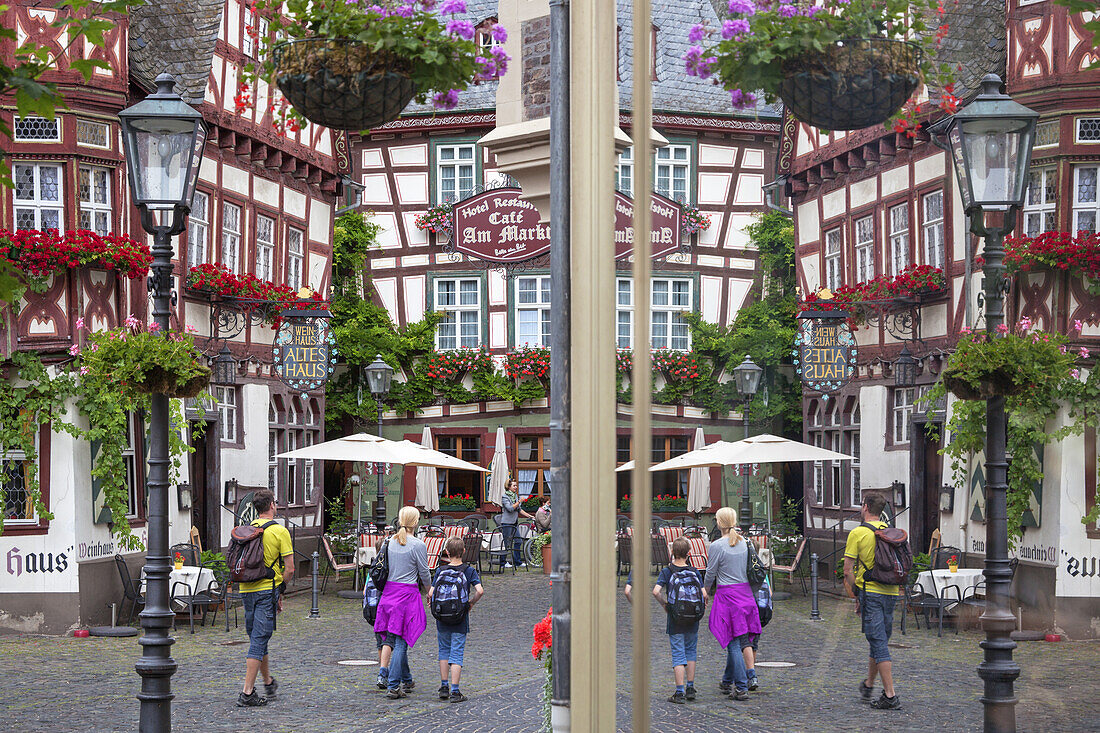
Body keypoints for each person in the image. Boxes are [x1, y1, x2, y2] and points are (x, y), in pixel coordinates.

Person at [844, 491, 902, 710]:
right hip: (892, 592)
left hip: (872, 592)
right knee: (879, 640)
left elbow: (847, 570)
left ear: (866, 507)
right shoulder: (890, 532)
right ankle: (869, 684)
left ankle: (890, 695)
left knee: (878, 642)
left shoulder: (858, 533)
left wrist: (857, 593)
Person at [237, 490, 294, 707]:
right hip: (265, 589)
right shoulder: (280, 531)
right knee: (259, 639)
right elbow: (290, 569)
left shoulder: (246, 529)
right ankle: (247, 692)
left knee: (258, 637)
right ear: (271, 505)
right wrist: (281, 590)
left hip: (245, 588)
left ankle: (267, 681)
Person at [704, 506, 762, 702]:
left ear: (719, 523)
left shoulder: (717, 546)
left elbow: (710, 573)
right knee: (737, 639)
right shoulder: (746, 543)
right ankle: (728, 680)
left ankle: (741, 686)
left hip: (728, 596)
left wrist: (705, 591)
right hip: (745, 595)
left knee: (733, 644)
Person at [375, 506, 431, 699]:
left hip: (389, 594)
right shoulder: (417, 545)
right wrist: (429, 589)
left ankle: (406, 678)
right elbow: (424, 572)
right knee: (401, 642)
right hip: (407, 595)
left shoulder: (389, 542)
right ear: (416, 523)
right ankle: (393, 685)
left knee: (398, 638)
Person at [429, 537, 484, 703]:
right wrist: (471, 603)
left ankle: (444, 686)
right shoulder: (469, 571)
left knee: (444, 650)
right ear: (464, 552)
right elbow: (480, 591)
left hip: (442, 616)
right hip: (460, 616)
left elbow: (431, 593)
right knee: (457, 652)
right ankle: (455, 691)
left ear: (447, 552)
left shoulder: (440, 570)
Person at [653, 537, 706, 703]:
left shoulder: (667, 571)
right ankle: (690, 687)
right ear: (688, 553)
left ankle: (679, 691)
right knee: (691, 651)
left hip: (675, 618)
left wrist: (665, 605)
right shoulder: (694, 570)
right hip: (693, 618)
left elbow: (655, 591)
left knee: (678, 653)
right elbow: (704, 594)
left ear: (672, 552)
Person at [500, 478, 534, 568]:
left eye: (516, 485)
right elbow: (510, 509)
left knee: (518, 541)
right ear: (508, 487)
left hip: (514, 523)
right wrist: (519, 501)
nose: (516, 487)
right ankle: (502, 563)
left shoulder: (515, 496)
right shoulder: (505, 497)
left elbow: (519, 509)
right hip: (507, 523)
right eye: (514, 485)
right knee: (506, 543)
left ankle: (517, 562)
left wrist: (529, 516)